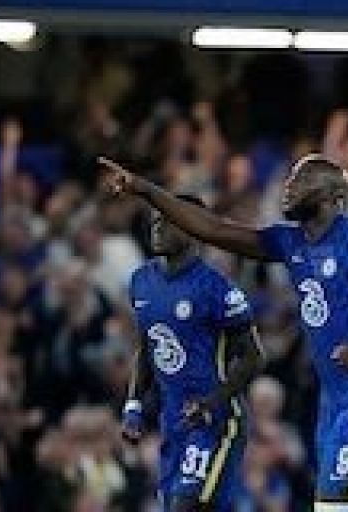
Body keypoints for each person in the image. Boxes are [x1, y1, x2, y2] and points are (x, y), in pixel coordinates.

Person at [102, 154, 348, 510]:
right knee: (339, 505)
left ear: (332, 194)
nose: (288, 187)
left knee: (339, 505)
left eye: (301, 179)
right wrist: (143, 189)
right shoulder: (290, 243)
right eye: (288, 179)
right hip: (332, 400)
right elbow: (213, 230)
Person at [121, 194, 265, 511]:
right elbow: (149, 346)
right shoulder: (141, 282)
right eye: (155, 219)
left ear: (194, 228)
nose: (157, 227)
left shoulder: (218, 289)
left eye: (168, 220)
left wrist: (211, 401)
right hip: (172, 421)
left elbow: (254, 356)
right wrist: (133, 405)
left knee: (185, 506)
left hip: (215, 421)